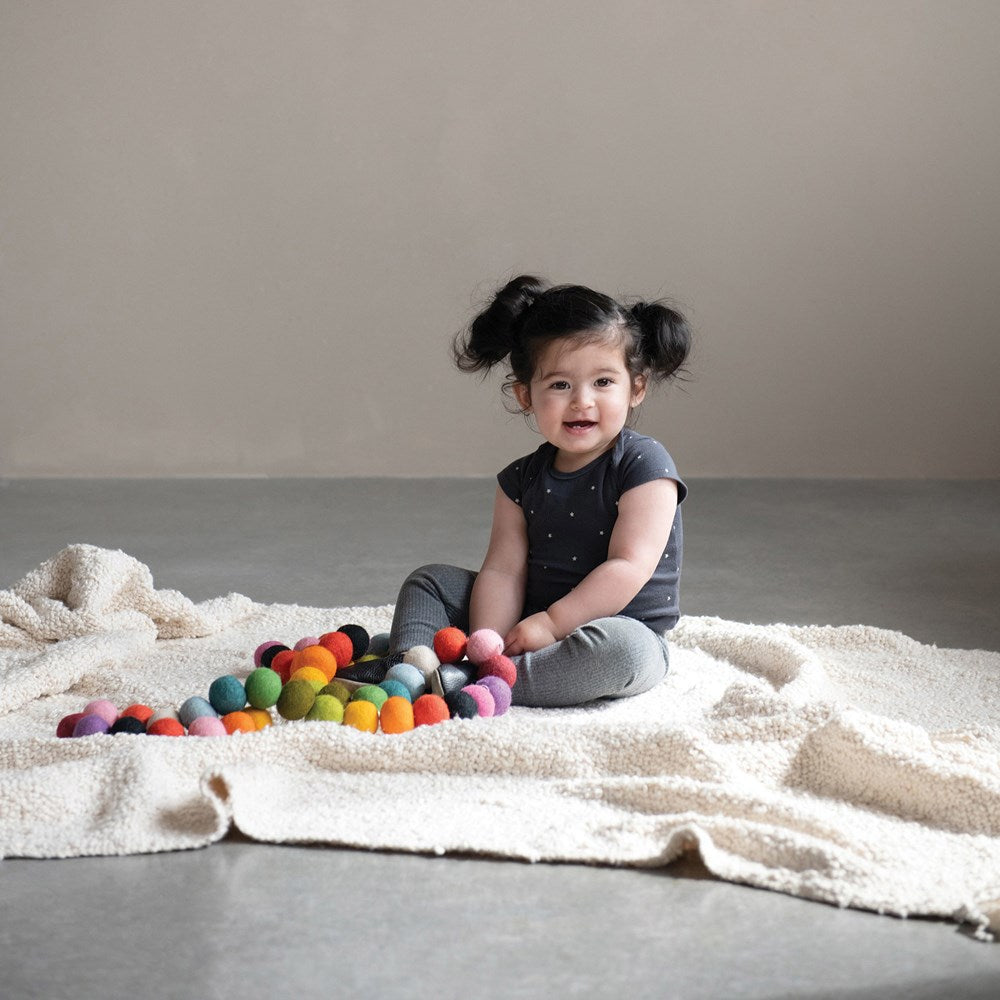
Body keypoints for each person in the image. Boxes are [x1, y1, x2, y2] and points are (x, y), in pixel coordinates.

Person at [353, 274, 691, 707]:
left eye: (603, 382)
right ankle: (414, 665)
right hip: (526, 619)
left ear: (636, 388)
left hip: (617, 624)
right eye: (560, 385)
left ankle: (482, 683)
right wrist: (488, 641)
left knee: (620, 652)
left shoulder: (644, 466)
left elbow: (628, 566)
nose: (582, 401)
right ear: (525, 395)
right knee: (431, 582)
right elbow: (503, 571)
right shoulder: (519, 480)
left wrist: (552, 625)